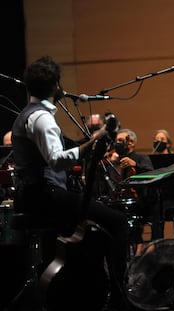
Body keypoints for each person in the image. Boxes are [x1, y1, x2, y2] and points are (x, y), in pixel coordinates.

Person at [11, 56, 129, 310]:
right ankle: (120, 299)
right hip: (44, 194)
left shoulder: (28, 114)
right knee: (118, 223)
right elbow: (56, 160)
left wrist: (89, 143)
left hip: (34, 194)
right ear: (56, 85)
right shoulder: (42, 118)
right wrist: (90, 145)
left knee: (86, 233)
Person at [100, 128, 154, 257]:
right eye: (116, 141)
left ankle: (138, 245)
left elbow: (151, 175)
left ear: (131, 143)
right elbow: (107, 183)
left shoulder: (141, 157)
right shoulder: (113, 161)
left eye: (120, 140)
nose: (116, 143)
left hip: (138, 201)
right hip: (116, 201)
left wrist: (135, 165)